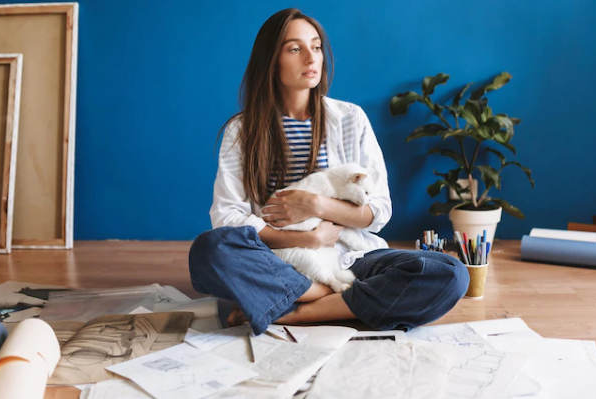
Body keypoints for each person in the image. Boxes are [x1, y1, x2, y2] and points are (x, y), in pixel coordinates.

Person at [189, 8, 469, 336]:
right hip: (277, 260)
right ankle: (319, 292)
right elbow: (228, 217)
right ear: (271, 60)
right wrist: (307, 238)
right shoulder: (242, 129)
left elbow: (378, 211)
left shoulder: (350, 118)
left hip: (349, 257)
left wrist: (316, 207)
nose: (311, 57)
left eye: (316, 46)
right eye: (295, 48)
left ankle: (290, 312)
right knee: (209, 251)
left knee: (451, 273)